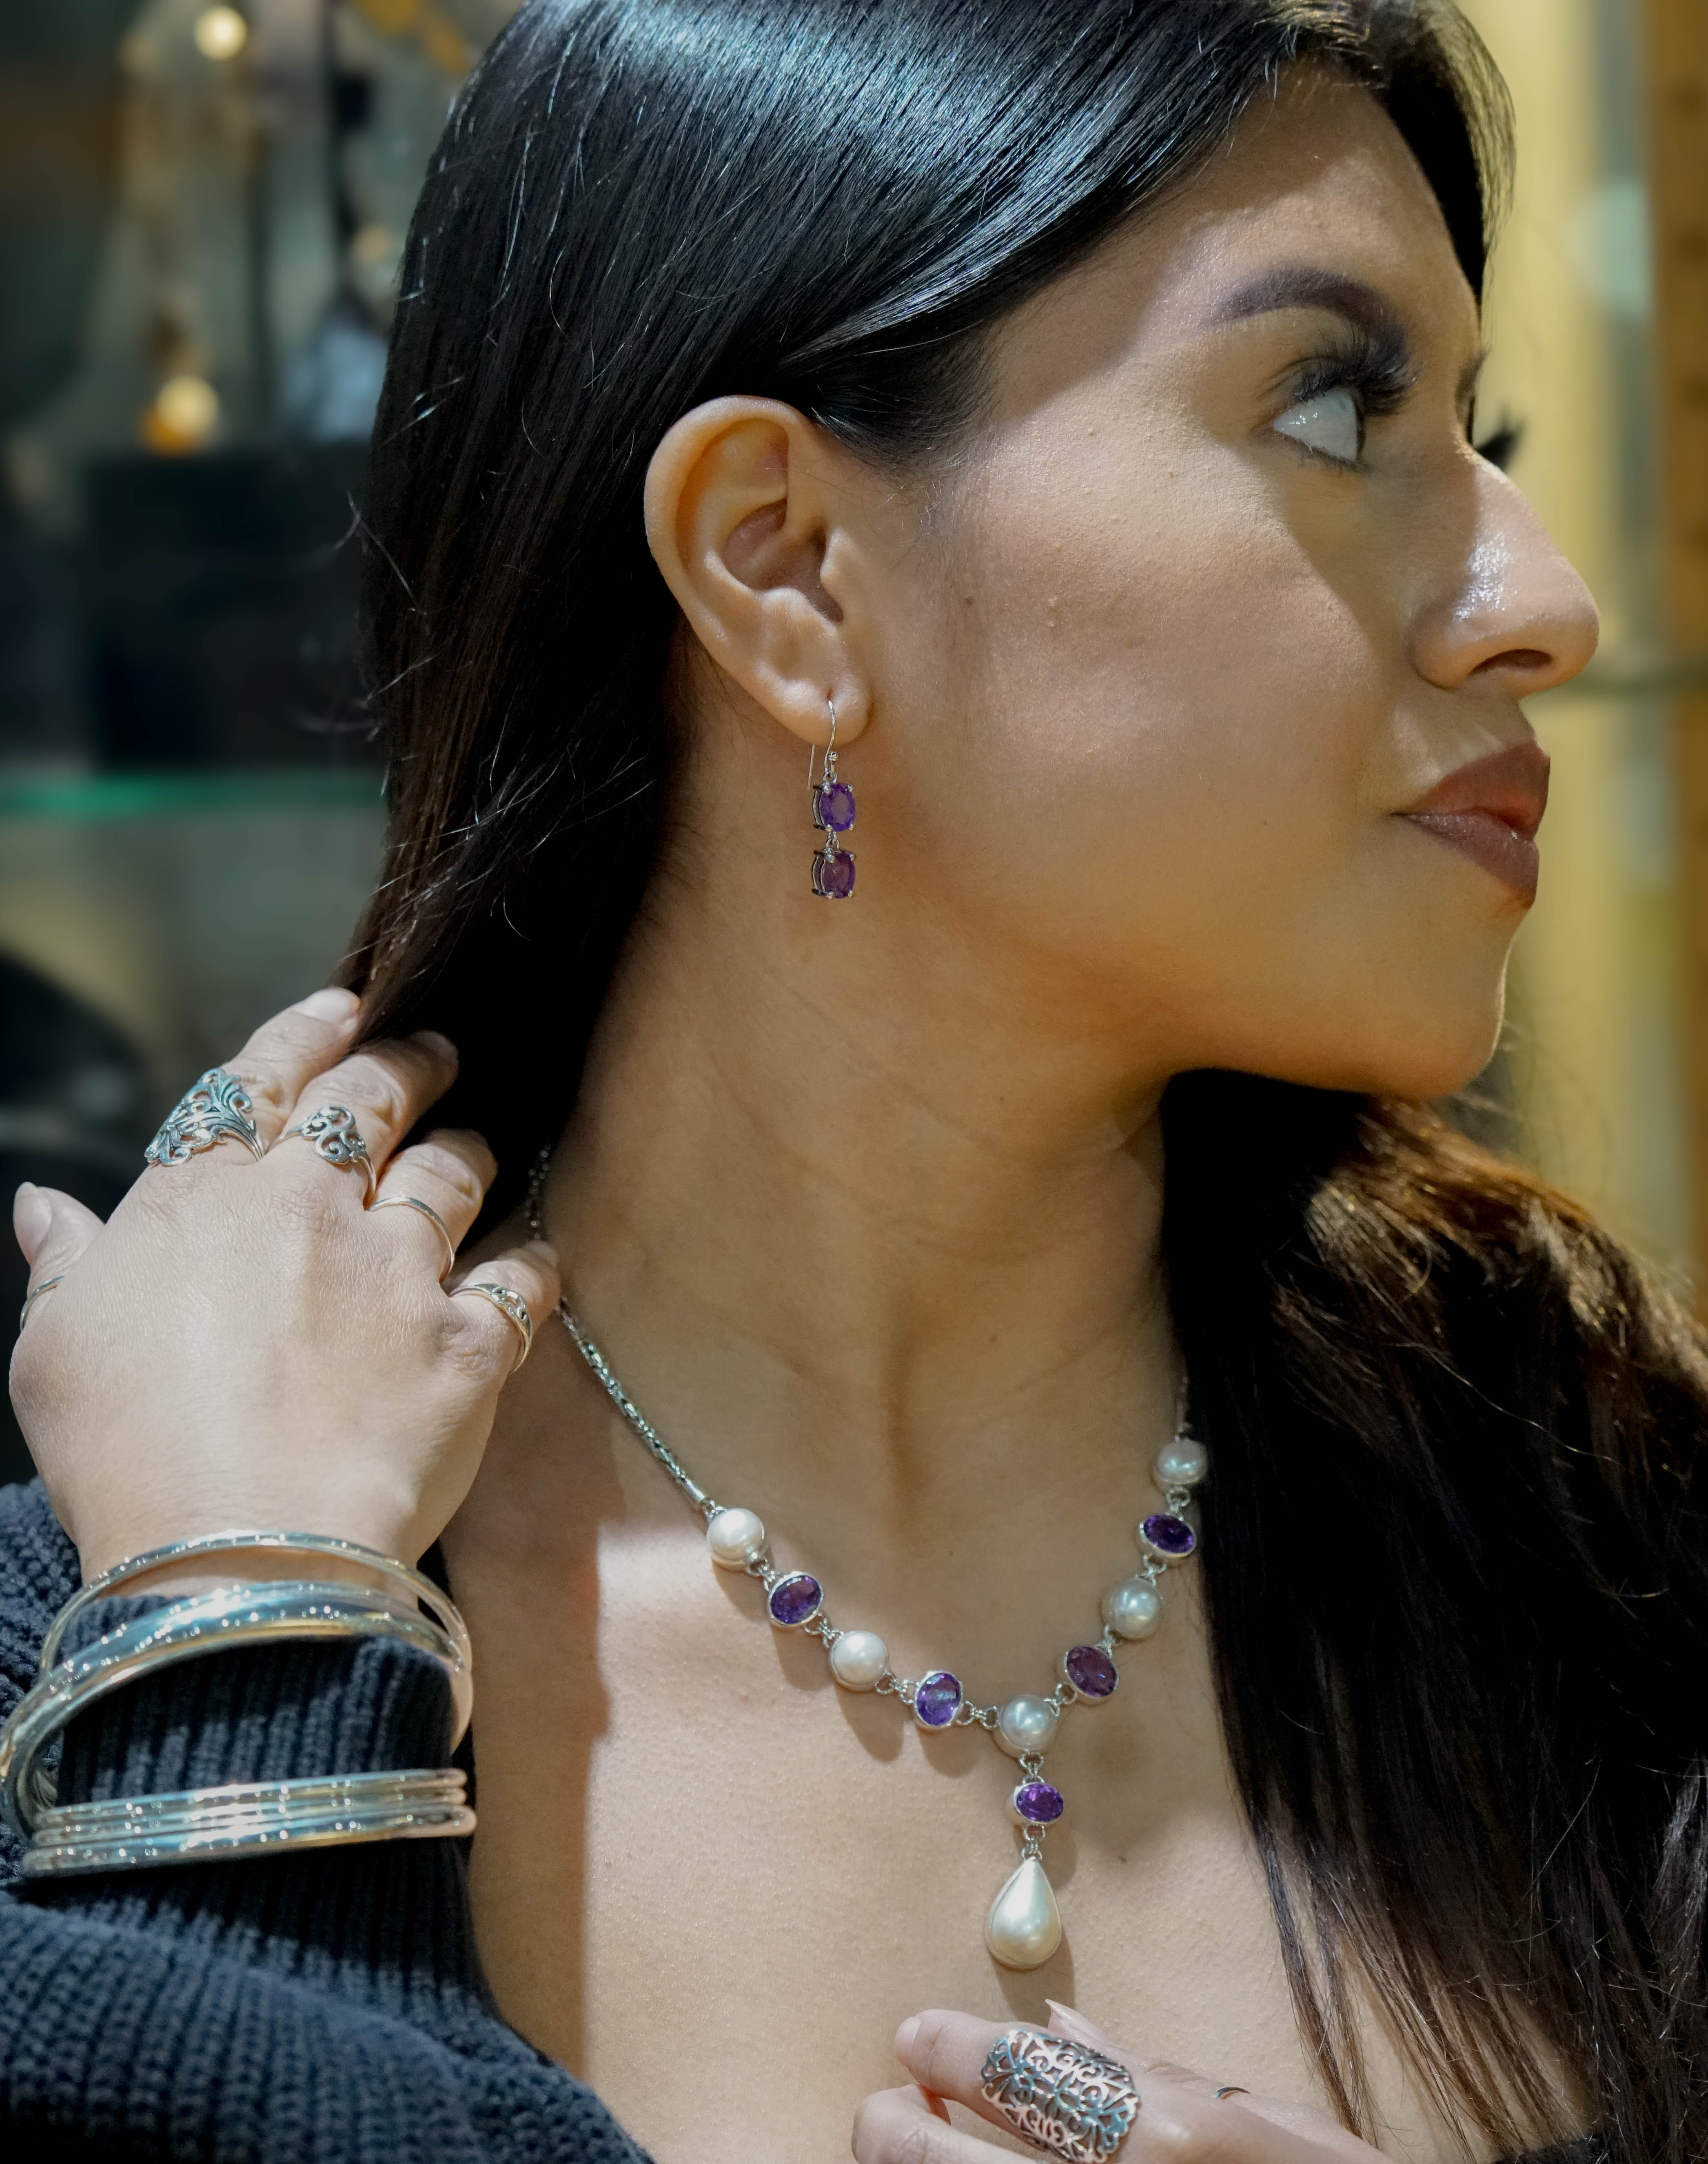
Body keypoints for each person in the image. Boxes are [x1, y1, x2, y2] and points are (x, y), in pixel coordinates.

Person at [3, 0, 1692, 2157]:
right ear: (786, 563)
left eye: (1490, 428)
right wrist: (243, 1684)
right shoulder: (101, 1656)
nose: (1542, 597)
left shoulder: (1628, 1576)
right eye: (1339, 404)